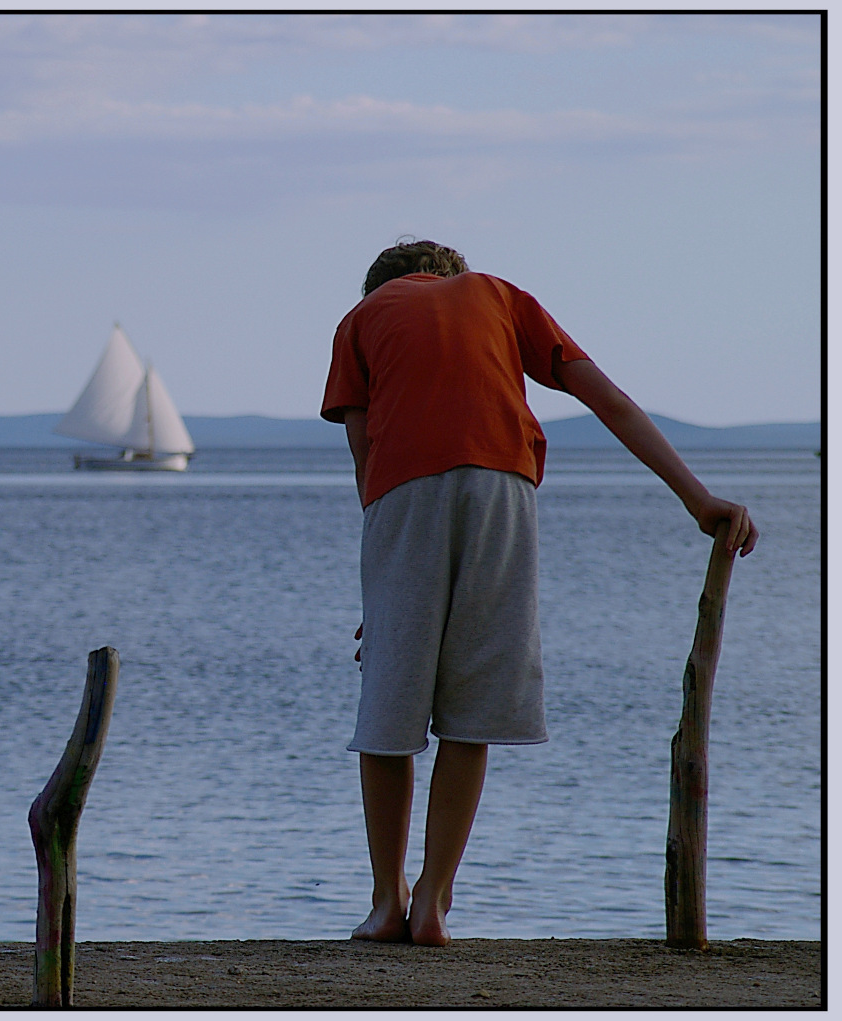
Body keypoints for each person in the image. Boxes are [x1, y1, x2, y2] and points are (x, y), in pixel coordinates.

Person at [320, 240, 758, 947]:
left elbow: (368, 459)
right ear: (449, 277)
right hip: (504, 484)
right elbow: (606, 398)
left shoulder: (362, 317)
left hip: (403, 489)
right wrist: (696, 498)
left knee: (389, 703)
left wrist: (385, 599)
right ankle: (432, 901)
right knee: (474, 703)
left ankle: (384, 900)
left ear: (382, 288)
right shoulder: (496, 294)